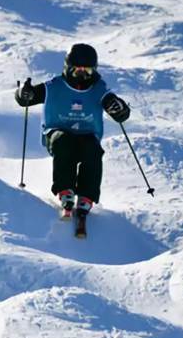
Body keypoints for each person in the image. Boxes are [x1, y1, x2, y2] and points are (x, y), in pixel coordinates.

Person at [15, 43, 130, 238]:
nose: (82, 76)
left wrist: (119, 109)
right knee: (63, 142)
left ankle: (86, 195)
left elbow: (118, 110)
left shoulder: (99, 89)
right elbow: (27, 97)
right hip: (57, 132)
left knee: (92, 151)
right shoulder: (54, 86)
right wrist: (23, 93)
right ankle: (65, 190)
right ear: (67, 68)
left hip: (87, 135)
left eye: (87, 72)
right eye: (77, 71)